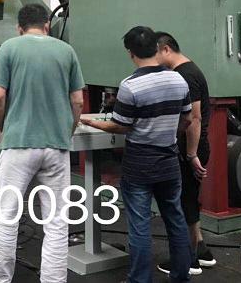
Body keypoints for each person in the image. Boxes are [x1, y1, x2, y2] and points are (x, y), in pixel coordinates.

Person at [81, 26, 192, 283]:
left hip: (139, 164)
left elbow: (120, 126)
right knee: (176, 220)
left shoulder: (130, 86)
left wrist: (92, 121)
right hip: (169, 162)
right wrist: (168, 133)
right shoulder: (179, 79)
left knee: (140, 226)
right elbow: (187, 119)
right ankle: (181, 277)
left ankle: (140, 279)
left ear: (131, 53)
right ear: (156, 48)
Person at [0, 4, 85, 283]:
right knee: (57, 222)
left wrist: (1, 129)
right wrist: (67, 131)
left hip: (18, 144)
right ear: (47, 25)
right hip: (56, 147)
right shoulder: (66, 51)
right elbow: (78, 100)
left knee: (7, 216)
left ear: (19, 28)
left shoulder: (9, 48)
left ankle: (0, 280)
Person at [155, 32, 215, 274]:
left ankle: (187, 260)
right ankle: (201, 250)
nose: (154, 60)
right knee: (189, 199)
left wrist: (191, 154)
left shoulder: (185, 75)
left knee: (183, 203)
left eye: (156, 54)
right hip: (194, 147)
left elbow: (195, 118)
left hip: (192, 148)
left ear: (166, 49)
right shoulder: (188, 71)